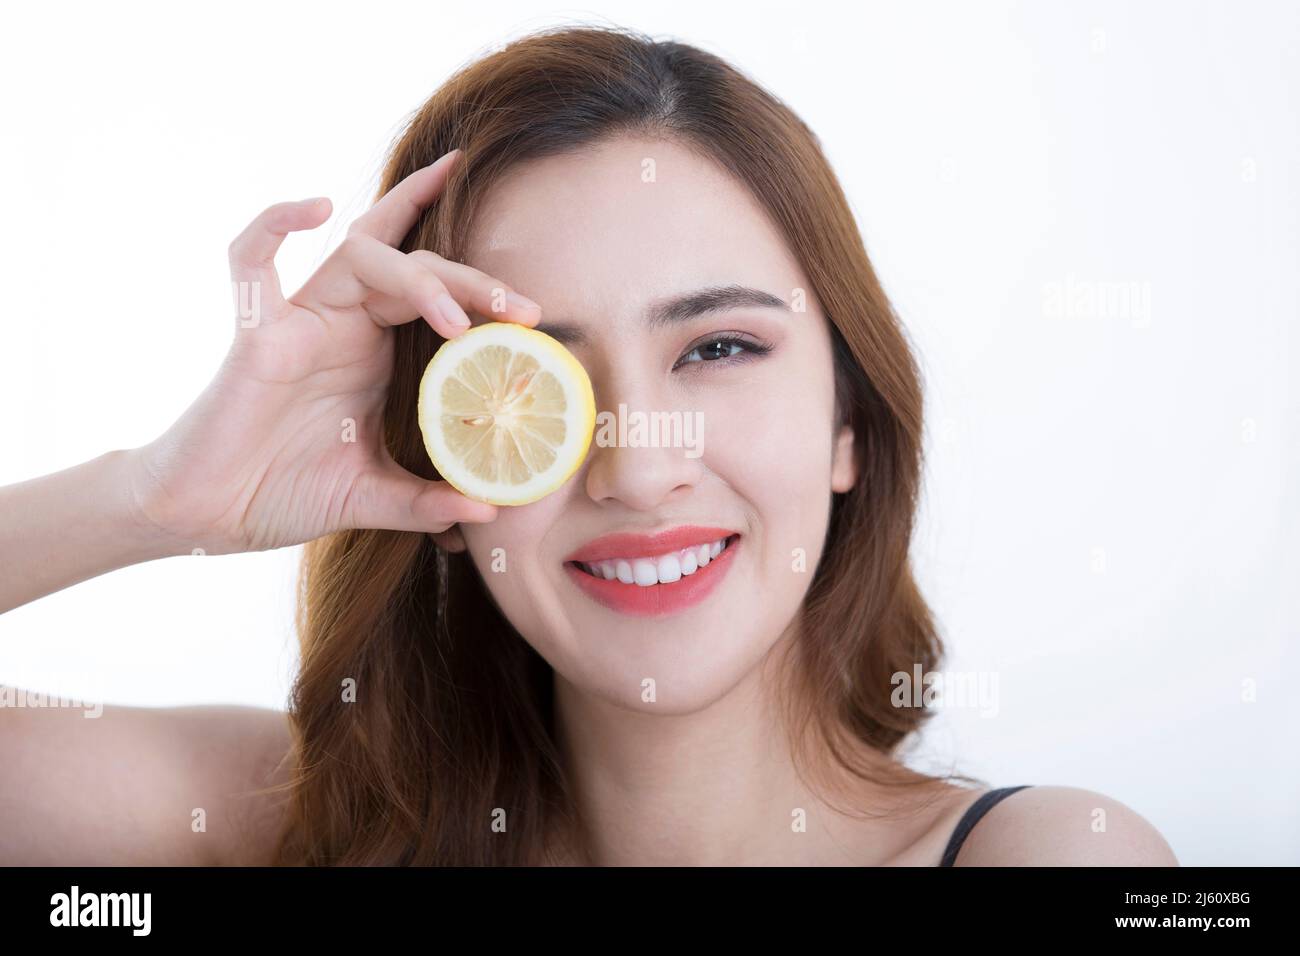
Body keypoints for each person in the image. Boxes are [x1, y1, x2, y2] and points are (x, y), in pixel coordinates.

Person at [0, 24, 1178, 866]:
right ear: (440, 460)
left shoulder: (1047, 854)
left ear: (848, 426)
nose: (631, 465)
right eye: (539, 379)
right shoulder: (285, 822)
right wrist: (160, 499)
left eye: (717, 348)